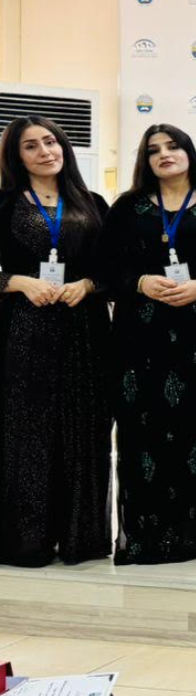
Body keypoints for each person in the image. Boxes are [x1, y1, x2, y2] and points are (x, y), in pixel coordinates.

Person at [100, 124, 196, 565]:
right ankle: (145, 539)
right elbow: (104, 268)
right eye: (154, 150)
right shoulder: (128, 208)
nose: (164, 154)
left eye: (173, 146)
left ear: (189, 152)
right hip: (141, 338)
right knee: (143, 434)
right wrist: (140, 282)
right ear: (145, 160)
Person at [0, 116, 111, 566]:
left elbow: (115, 268)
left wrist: (88, 284)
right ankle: (26, 542)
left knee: (83, 429)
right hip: (23, 331)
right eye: (31, 146)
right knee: (27, 431)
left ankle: (82, 538)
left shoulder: (93, 203)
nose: (45, 151)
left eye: (51, 141)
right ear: (16, 156)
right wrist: (17, 282)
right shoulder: (5, 204)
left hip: (83, 331)